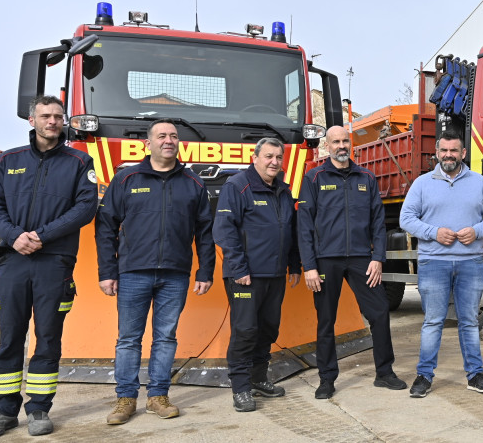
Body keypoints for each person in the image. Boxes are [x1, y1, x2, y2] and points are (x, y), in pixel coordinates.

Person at [0, 96, 98, 439]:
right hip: (13, 260)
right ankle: (4, 411)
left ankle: (40, 409)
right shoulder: (8, 160)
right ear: (32, 120)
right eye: (46, 116)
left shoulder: (79, 161)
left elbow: (85, 208)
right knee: (10, 337)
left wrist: (42, 236)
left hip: (53, 263)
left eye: (58, 116)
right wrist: (15, 237)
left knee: (47, 338)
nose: (53, 121)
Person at [95, 120, 215, 424]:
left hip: (175, 274)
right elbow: (106, 226)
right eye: (161, 136)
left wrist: (205, 271)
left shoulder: (193, 183)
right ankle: (125, 399)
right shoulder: (126, 179)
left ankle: (158, 397)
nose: (169, 140)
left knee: (165, 337)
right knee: (128, 338)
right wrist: (107, 271)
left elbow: (205, 232)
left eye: (174, 136)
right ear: (148, 144)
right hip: (133, 272)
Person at [297, 126, 406, 400]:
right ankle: (326, 379)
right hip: (325, 260)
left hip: (361, 259)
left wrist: (378, 258)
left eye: (345, 141)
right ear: (328, 145)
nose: (341, 145)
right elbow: (304, 225)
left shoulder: (366, 177)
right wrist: (309, 265)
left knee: (380, 313)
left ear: (351, 144)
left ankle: (384, 373)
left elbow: (378, 223)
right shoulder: (314, 178)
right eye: (336, 141)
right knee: (326, 321)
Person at [399, 131, 483, 398]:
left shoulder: (479, 183)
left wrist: (478, 231)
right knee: (433, 321)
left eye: (453, 151)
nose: (448, 155)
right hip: (434, 263)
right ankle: (424, 376)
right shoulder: (422, 184)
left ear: (463, 153)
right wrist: (434, 232)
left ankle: (475, 374)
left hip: (470, 263)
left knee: (469, 320)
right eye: (443, 150)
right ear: (436, 152)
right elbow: (406, 219)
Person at [213, 137, 301, 412]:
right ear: (255, 158)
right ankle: (240, 388)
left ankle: (259, 379)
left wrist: (294, 265)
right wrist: (239, 269)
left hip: (274, 274)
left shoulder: (284, 191)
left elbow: (291, 231)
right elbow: (224, 230)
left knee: (267, 328)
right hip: (245, 275)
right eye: (268, 156)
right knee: (245, 330)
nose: (274, 162)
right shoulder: (237, 186)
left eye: (278, 157)